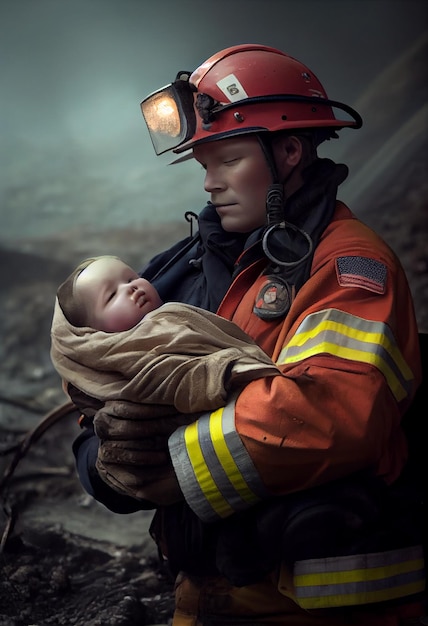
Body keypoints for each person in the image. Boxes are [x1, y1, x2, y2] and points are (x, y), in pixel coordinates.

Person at [68, 44, 425, 625]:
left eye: (226, 160)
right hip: (207, 596)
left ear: (288, 152)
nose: (208, 184)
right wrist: (104, 461)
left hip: (322, 602)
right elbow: (104, 384)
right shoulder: (186, 264)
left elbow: (330, 413)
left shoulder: (349, 266)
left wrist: (168, 457)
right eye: (203, 165)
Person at [50, 254, 280, 496]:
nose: (132, 287)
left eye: (132, 277)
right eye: (111, 295)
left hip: (250, 434)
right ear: (92, 338)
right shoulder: (114, 362)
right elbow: (170, 377)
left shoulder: (171, 318)